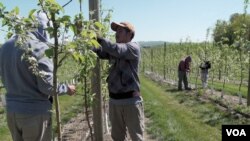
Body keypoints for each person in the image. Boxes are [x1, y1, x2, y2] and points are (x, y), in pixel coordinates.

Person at [0, 12, 76, 141]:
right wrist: (66, 88)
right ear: (42, 27)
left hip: (12, 111)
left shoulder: (5, 47)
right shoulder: (39, 48)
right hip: (34, 114)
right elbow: (48, 87)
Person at [94, 22, 144, 141]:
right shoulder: (114, 51)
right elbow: (100, 52)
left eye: (120, 31)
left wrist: (97, 37)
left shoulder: (133, 47)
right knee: (117, 137)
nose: (116, 34)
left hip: (130, 102)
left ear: (130, 34)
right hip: (114, 101)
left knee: (136, 137)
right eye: (116, 31)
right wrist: (86, 38)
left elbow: (115, 49)